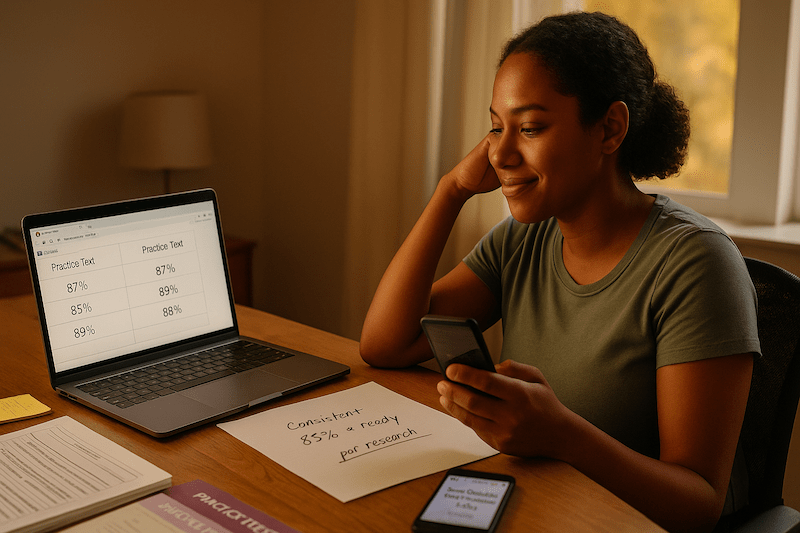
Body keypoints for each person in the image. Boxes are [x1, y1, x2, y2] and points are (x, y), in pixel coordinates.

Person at [359, 11, 761, 533]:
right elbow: (385, 344)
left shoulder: (696, 265)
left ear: (610, 129)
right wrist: (450, 191)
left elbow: (698, 504)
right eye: (495, 128)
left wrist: (563, 435)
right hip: (539, 508)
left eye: (529, 127)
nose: (500, 154)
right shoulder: (524, 239)